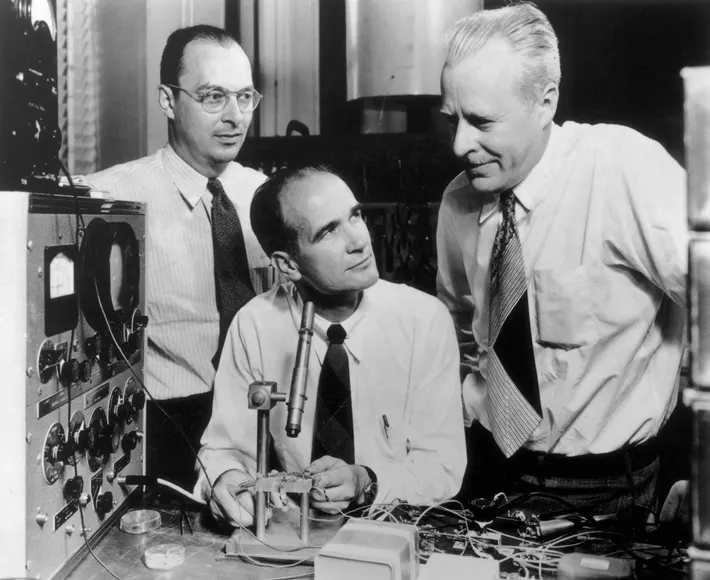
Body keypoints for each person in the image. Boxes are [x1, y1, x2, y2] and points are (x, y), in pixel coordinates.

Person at [436, 3, 687, 517]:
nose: (461, 143)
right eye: (452, 119)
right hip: (487, 473)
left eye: (481, 121)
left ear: (544, 102)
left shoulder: (622, 169)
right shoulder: (458, 201)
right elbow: (459, 331)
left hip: (608, 492)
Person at [194, 165, 466, 526]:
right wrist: (226, 479)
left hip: (392, 525)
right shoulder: (254, 324)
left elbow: (442, 465)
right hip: (295, 530)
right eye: (328, 232)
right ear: (287, 265)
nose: (359, 241)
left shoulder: (424, 320)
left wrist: (366, 481)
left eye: (355, 216)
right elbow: (224, 448)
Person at [87, 25, 273, 490]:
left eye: (245, 97)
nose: (235, 116)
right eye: (214, 96)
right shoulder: (110, 200)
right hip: (167, 432)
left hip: (262, 423)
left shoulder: (267, 197)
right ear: (168, 100)